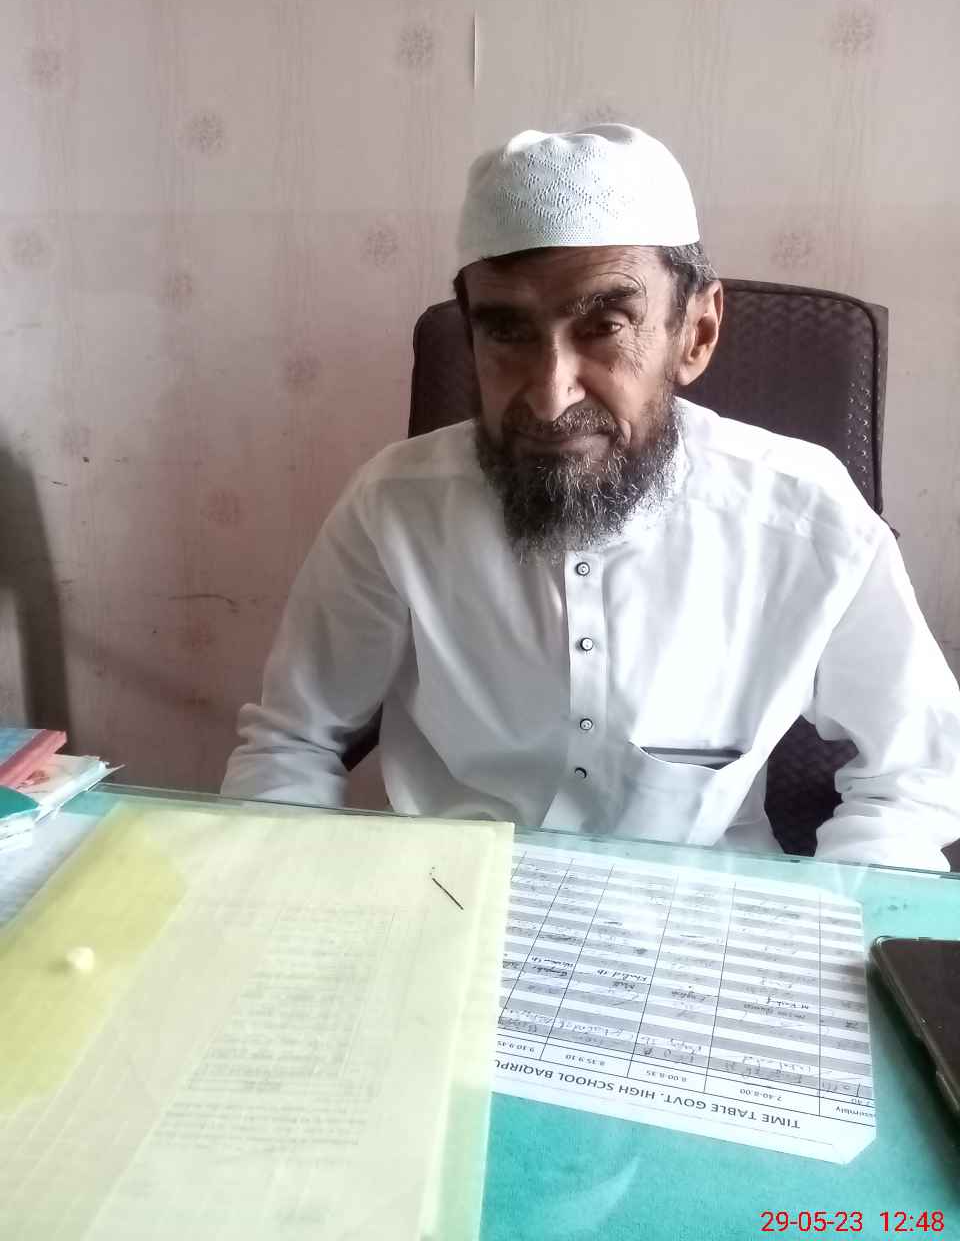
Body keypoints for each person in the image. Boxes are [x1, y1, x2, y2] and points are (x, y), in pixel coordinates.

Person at [222, 124, 960, 871]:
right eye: (506, 333)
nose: (551, 397)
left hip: (701, 909)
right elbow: (292, 743)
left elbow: (916, 776)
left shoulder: (804, 517)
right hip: (448, 899)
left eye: (605, 326)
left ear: (696, 333)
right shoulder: (394, 506)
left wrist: (833, 917)